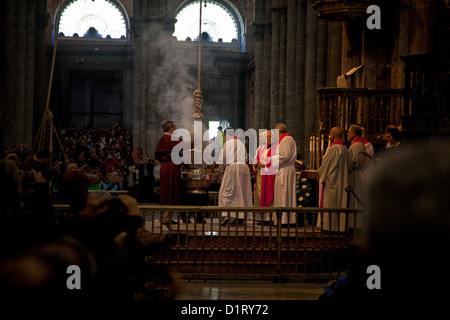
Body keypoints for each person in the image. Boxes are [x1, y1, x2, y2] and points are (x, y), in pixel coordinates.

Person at [316, 127, 350, 232]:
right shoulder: (344, 148)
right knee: (340, 201)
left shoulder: (333, 149)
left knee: (331, 202)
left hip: (332, 180)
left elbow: (325, 165)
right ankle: (338, 226)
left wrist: (320, 175)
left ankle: (328, 226)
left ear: (332, 135)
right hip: (342, 179)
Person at [217, 128, 253, 226]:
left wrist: (219, 166)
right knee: (241, 193)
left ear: (225, 135)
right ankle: (240, 217)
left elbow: (222, 159)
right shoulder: (240, 143)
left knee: (226, 192)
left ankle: (225, 215)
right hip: (244, 168)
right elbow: (246, 157)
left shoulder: (228, 143)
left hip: (233, 168)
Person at [155, 120, 183, 225]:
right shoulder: (172, 138)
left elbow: (157, 154)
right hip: (171, 167)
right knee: (172, 192)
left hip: (164, 167)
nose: (175, 129)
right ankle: (166, 218)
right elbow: (187, 144)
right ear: (170, 128)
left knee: (166, 191)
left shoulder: (162, 139)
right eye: (174, 127)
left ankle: (165, 217)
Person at [271, 123, 297, 226]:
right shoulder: (287, 139)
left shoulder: (286, 140)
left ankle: (284, 220)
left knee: (284, 195)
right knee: (284, 194)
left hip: (285, 171)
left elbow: (285, 156)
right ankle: (284, 219)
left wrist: (272, 159)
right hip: (285, 169)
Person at [347, 125, 367, 229]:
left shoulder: (355, 146)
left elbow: (352, 163)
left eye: (349, 132)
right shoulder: (361, 144)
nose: (347, 134)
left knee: (354, 201)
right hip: (359, 175)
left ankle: (354, 225)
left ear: (354, 133)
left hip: (355, 175)